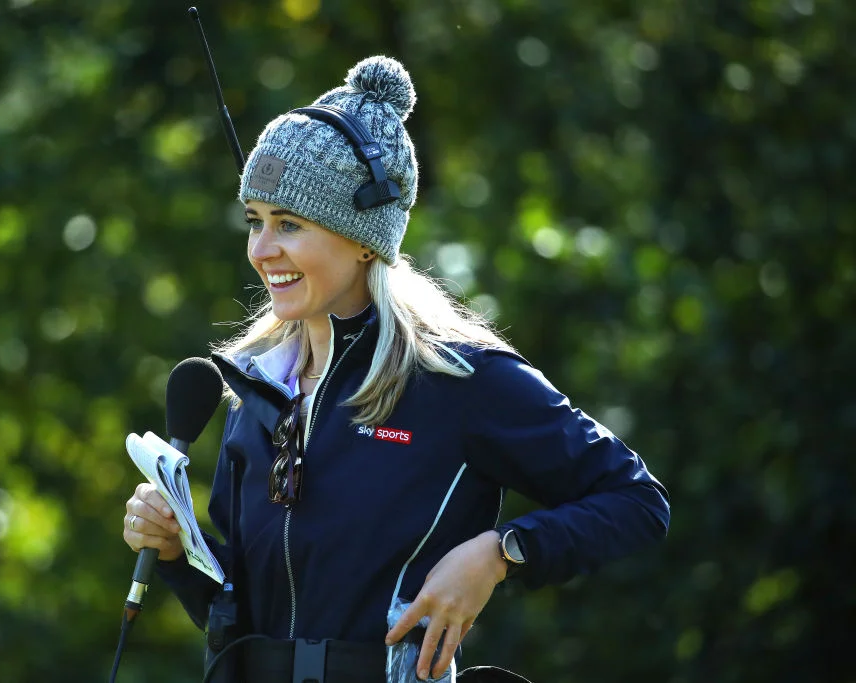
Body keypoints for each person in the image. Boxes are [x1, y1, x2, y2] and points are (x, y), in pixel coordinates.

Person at [122, 55, 670, 682]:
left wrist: (499, 553)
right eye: (255, 221)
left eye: (289, 224)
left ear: (364, 240)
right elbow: (240, 617)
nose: (261, 250)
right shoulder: (255, 388)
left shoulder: (462, 379)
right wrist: (173, 552)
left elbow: (637, 502)